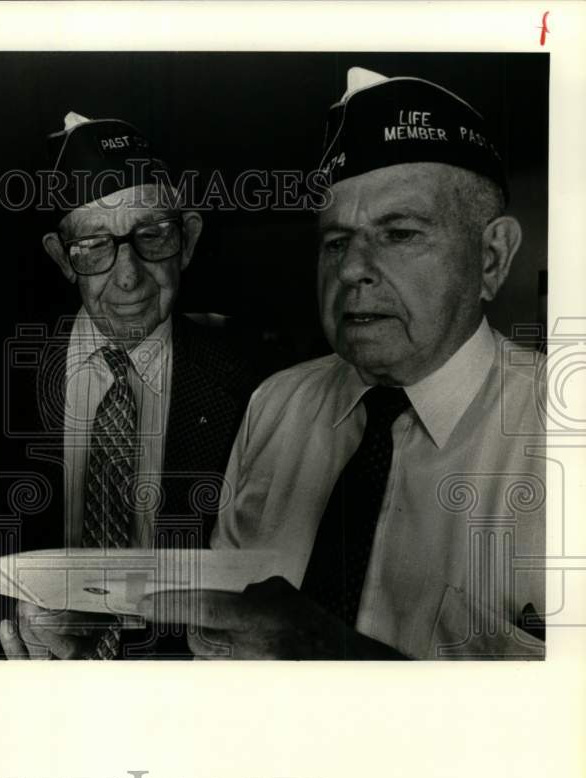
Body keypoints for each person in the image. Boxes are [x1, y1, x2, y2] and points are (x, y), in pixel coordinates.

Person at [141, 68, 547, 660]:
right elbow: (219, 640)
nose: (353, 268)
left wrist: (324, 651)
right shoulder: (275, 404)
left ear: (491, 258)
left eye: (399, 233)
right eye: (335, 242)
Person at [0, 113, 261, 659]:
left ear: (186, 239)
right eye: (94, 245)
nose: (127, 275)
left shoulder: (254, 384)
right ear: (60, 258)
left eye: (152, 236)